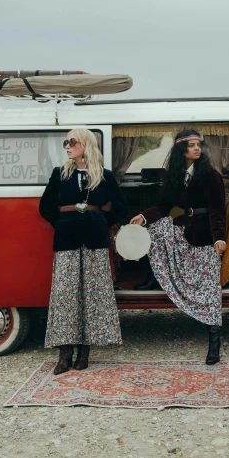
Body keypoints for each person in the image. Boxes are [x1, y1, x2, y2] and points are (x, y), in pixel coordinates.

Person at [129, 129, 227, 365]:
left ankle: (214, 341)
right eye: (191, 145)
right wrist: (142, 217)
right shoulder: (174, 175)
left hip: (204, 235)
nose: (197, 149)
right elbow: (162, 207)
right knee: (156, 227)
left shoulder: (211, 175)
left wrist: (219, 238)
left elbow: (217, 211)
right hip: (184, 229)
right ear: (181, 150)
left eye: (198, 145)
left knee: (211, 289)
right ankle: (156, 275)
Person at [39, 129, 130, 374]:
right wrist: (61, 223)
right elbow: (45, 207)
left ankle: (84, 353)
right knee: (65, 296)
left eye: (72, 142)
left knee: (91, 297)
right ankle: (64, 353)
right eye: (65, 142)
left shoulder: (105, 176)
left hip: (95, 240)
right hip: (67, 239)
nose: (67, 146)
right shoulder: (60, 174)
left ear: (85, 145)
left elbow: (121, 208)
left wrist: (101, 221)